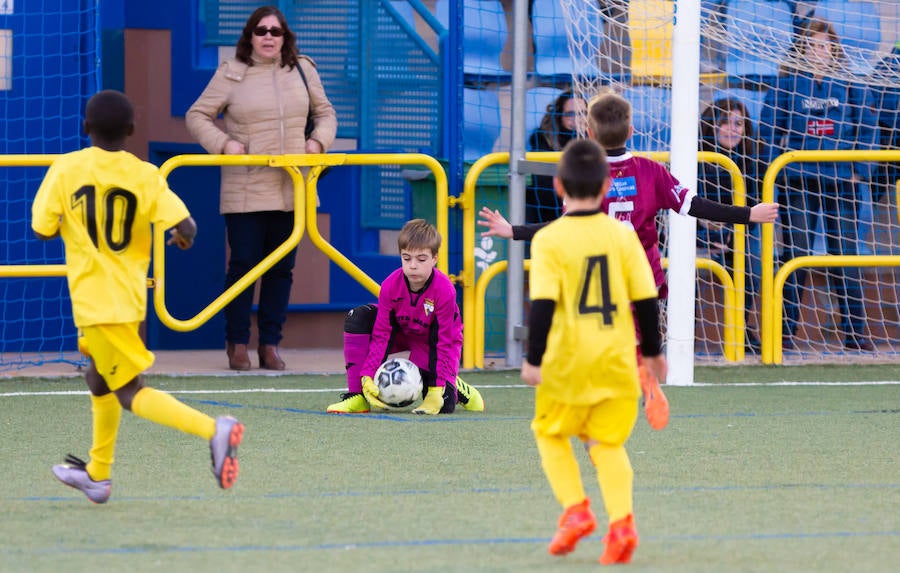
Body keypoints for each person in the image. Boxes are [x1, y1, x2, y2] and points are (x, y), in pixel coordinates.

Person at [479, 91, 778, 426]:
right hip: (642, 271)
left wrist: (514, 231)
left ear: (588, 133)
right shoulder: (652, 172)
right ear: (632, 130)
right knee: (637, 336)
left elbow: (563, 226)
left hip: (598, 275)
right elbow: (695, 206)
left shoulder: (586, 176)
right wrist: (748, 213)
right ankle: (646, 381)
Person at [31, 90, 244, 504]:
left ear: (85, 128)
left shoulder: (66, 168)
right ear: (131, 131)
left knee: (128, 392)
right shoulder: (146, 174)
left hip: (96, 303)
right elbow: (188, 226)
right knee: (98, 379)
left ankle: (213, 430)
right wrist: (179, 238)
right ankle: (98, 474)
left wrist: (73, 225)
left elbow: (42, 228)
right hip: (127, 300)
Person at [522, 138, 666, 564]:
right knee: (605, 445)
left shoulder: (548, 240)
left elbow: (543, 305)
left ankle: (576, 510)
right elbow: (646, 298)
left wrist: (533, 359)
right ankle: (622, 524)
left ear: (558, 188)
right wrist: (654, 354)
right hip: (618, 362)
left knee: (549, 434)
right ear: (607, 187)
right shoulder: (623, 236)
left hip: (568, 364)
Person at [186, 5, 337, 371]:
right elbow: (197, 115)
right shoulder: (231, 73)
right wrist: (225, 145)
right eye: (260, 30)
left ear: (285, 36)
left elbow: (327, 113)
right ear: (249, 36)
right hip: (247, 188)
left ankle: (270, 345)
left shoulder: (302, 69)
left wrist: (318, 142)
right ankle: (237, 344)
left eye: (275, 31)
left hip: (293, 187)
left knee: (281, 269)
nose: (268, 37)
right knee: (243, 267)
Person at [759, 18, 878, 352]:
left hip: (842, 183)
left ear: (834, 50)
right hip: (799, 183)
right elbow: (768, 132)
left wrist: (860, 170)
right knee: (795, 254)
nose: (818, 51)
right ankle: (781, 335)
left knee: (846, 255)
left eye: (824, 45)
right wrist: (779, 174)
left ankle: (855, 335)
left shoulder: (850, 83)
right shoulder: (786, 84)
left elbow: (868, 130)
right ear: (802, 48)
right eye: (812, 45)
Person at [326, 219, 485, 415]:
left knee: (445, 406)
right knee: (358, 317)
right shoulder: (390, 286)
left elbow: (447, 341)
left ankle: (455, 385)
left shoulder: (445, 290)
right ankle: (357, 397)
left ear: (435, 258)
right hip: (402, 334)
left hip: (433, 344)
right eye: (406, 258)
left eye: (421, 259)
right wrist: (367, 374)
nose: (413, 266)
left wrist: (437, 389)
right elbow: (381, 335)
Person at [698, 97, 768, 353]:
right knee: (679, 263)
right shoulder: (694, 157)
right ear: (711, 125)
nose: (732, 129)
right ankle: (677, 333)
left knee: (753, 261)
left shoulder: (754, 160)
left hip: (736, 232)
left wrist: (727, 232)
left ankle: (741, 327)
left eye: (739, 123)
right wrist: (704, 233)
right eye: (725, 122)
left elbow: (754, 207)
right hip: (696, 231)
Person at [526, 90, 585, 224]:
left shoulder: (592, 140)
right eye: (570, 114)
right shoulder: (542, 141)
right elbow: (544, 192)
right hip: (550, 216)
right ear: (559, 116)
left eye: (583, 113)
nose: (578, 119)